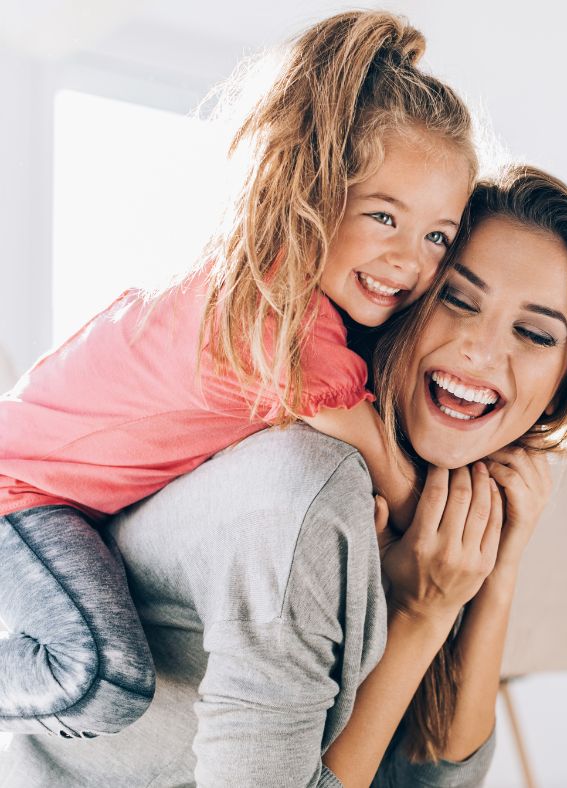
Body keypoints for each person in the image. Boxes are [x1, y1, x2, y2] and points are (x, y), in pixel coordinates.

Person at [0, 165, 567, 786]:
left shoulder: (434, 495)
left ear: (563, 386)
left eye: (534, 333)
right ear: (405, 297)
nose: (483, 349)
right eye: (456, 299)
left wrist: (494, 573)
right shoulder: (311, 484)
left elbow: (429, 779)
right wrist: (420, 613)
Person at [0, 10, 474, 739]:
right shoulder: (277, 316)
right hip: (17, 493)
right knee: (102, 677)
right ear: (315, 190)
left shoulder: (280, 298)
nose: (411, 260)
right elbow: (389, 473)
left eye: (438, 235)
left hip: (48, 489)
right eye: (384, 217)